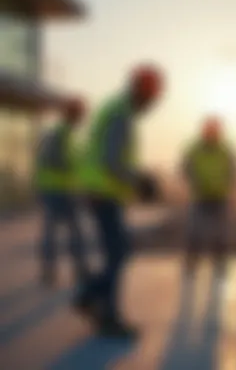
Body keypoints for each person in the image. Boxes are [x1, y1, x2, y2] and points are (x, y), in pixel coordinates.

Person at [74, 63, 164, 337]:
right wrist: (141, 181)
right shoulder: (120, 115)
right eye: (151, 98)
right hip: (103, 193)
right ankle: (107, 317)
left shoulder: (117, 109)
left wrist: (138, 179)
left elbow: (112, 157)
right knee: (117, 253)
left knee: (120, 252)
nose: (152, 105)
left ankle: (89, 297)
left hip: (103, 191)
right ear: (141, 92)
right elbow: (112, 160)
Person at [35, 97, 89, 286]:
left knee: (61, 231)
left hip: (61, 189)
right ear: (72, 114)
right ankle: (72, 269)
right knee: (66, 231)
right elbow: (54, 160)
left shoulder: (66, 134)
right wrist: (74, 167)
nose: (82, 119)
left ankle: (67, 269)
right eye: (80, 114)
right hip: (56, 190)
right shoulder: (59, 134)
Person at [181, 117, 236, 277]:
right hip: (200, 198)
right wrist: (195, 180)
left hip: (219, 198)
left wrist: (226, 184)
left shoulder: (225, 150)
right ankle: (191, 264)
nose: (212, 134)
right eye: (209, 131)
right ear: (204, 132)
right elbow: (185, 167)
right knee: (195, 232)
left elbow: (234, 170)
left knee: (220, 234)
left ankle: (220, 265)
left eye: (215, 131)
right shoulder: (194, 149)